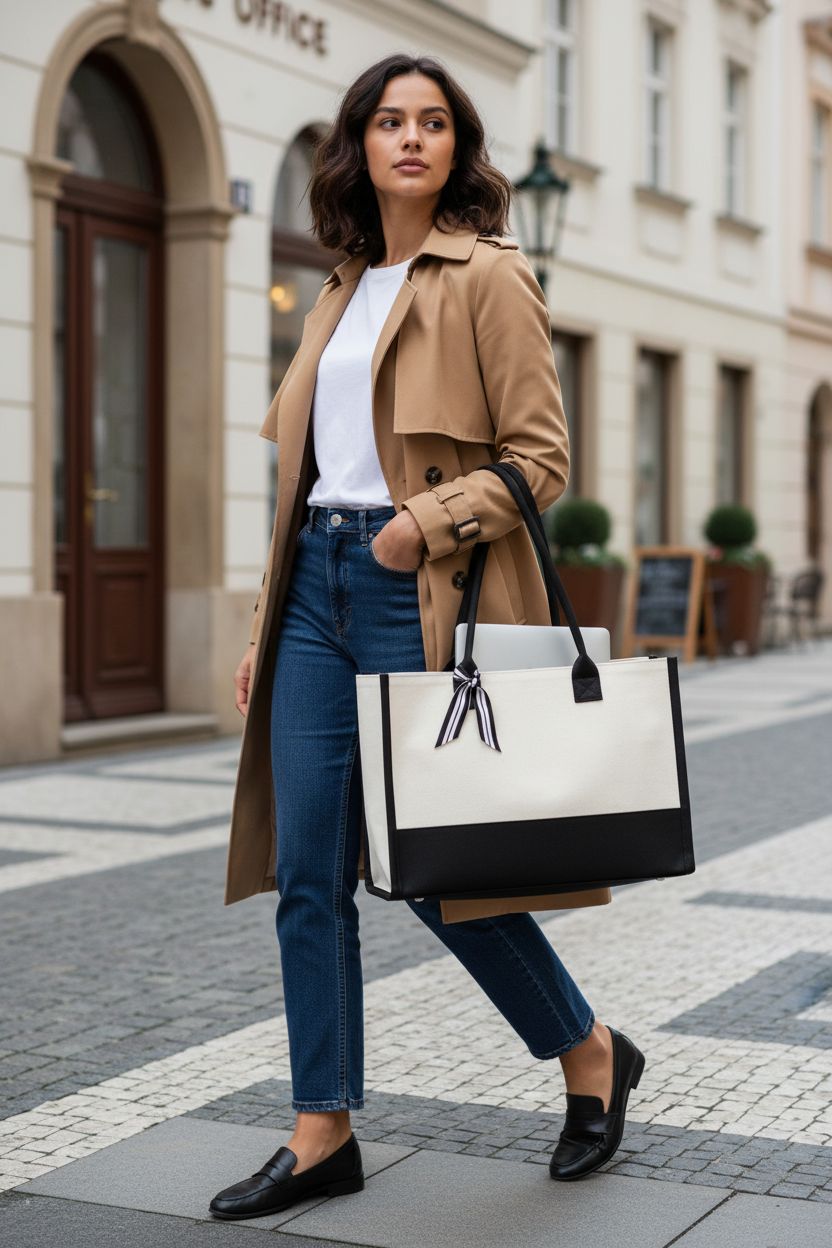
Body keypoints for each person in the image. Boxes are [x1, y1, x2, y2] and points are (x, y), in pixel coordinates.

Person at [209, 53, 644, 1223]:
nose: (411, 139)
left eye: (433, 122)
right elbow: (302, 475)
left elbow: (541, 457)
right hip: (313, 589)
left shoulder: (489, 275)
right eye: (389, 121)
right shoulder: (339, 284)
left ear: (458, 146)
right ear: (358, 144)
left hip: (421, 590)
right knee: (307, 873)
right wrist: (266, 622)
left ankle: (589, 1050)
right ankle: (321, 1131)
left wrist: (424, 524)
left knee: (439, 875)